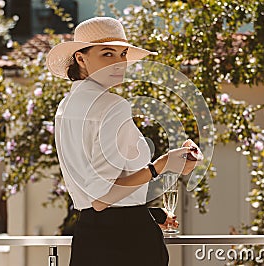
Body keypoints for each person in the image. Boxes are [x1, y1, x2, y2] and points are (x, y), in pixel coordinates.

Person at [46, 16, 200, 266]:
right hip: (128, 243)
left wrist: (148, 213)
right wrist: (161, 166)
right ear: (81, 58)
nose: (119, 63)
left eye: (123, 54)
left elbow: (94, 199)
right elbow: (101, 198)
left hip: (88, 238)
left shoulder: (66, 106)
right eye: (108, 54)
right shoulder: (113, 106)